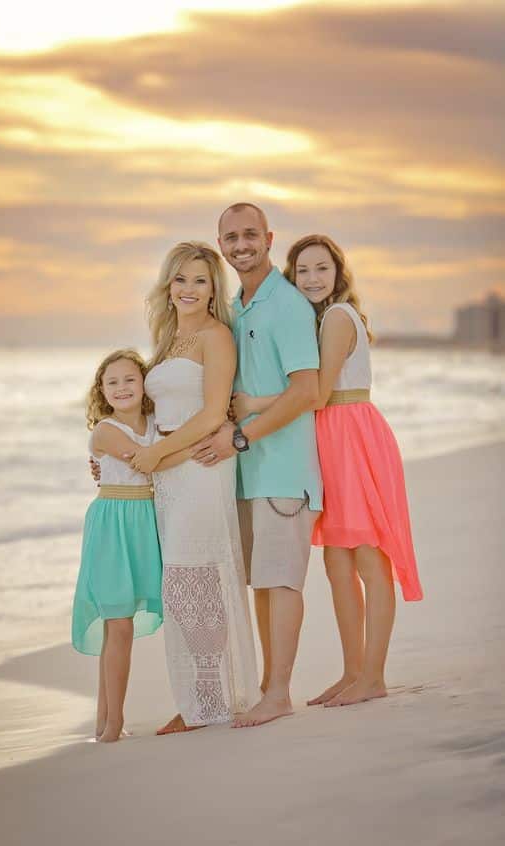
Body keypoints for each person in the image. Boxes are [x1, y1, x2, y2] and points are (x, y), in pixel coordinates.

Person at [233, 233, 423, 708]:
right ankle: (353, 671)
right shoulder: (316, 318)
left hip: (352, 436)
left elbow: (315, 393)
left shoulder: (338, 318)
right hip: (330, 440)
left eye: (322, 269)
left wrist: (254, 404)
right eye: (303, 271)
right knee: (338, 565)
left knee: (367, 561)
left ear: (338, 273)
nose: (313, 279)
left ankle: (373, 676)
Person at [193, 204, 323, 728]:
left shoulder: (287, 304)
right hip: (246, 472)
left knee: (282, 582)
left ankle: (280, 692)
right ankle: (270, 688)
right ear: (220, 243)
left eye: (250, 234)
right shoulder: (235, 306)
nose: (241, 244)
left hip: (282, 469)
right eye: (231, 236)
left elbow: (307, 391)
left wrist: (242, 435)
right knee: (262, 585)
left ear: (268, 238)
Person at [129, 241, 259, 733]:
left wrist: (159, 454)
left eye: (200, 280)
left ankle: (209, 701)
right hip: (167, 474)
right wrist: (119, 457)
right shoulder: (165, 343)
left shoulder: (215, 336)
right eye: (180, 279)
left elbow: (210, 415)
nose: (188, 289)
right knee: (184, 588)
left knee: (194, 583)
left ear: (212, 290)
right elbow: (151, 415)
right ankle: (204, 699)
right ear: (168, 285)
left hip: (201, 468)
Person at [71, 349, 163, 742]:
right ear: (101, 391)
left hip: (146, 524)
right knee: (119, 624)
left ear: (144, 384)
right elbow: (147, 462)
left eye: (130, 379)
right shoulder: (105, 431)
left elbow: (156, 455)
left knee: (118, 629)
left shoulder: (158, 423)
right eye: (112, 382)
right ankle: (112, 725)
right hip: (112, 526)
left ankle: (105, 720)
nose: (122, 388)